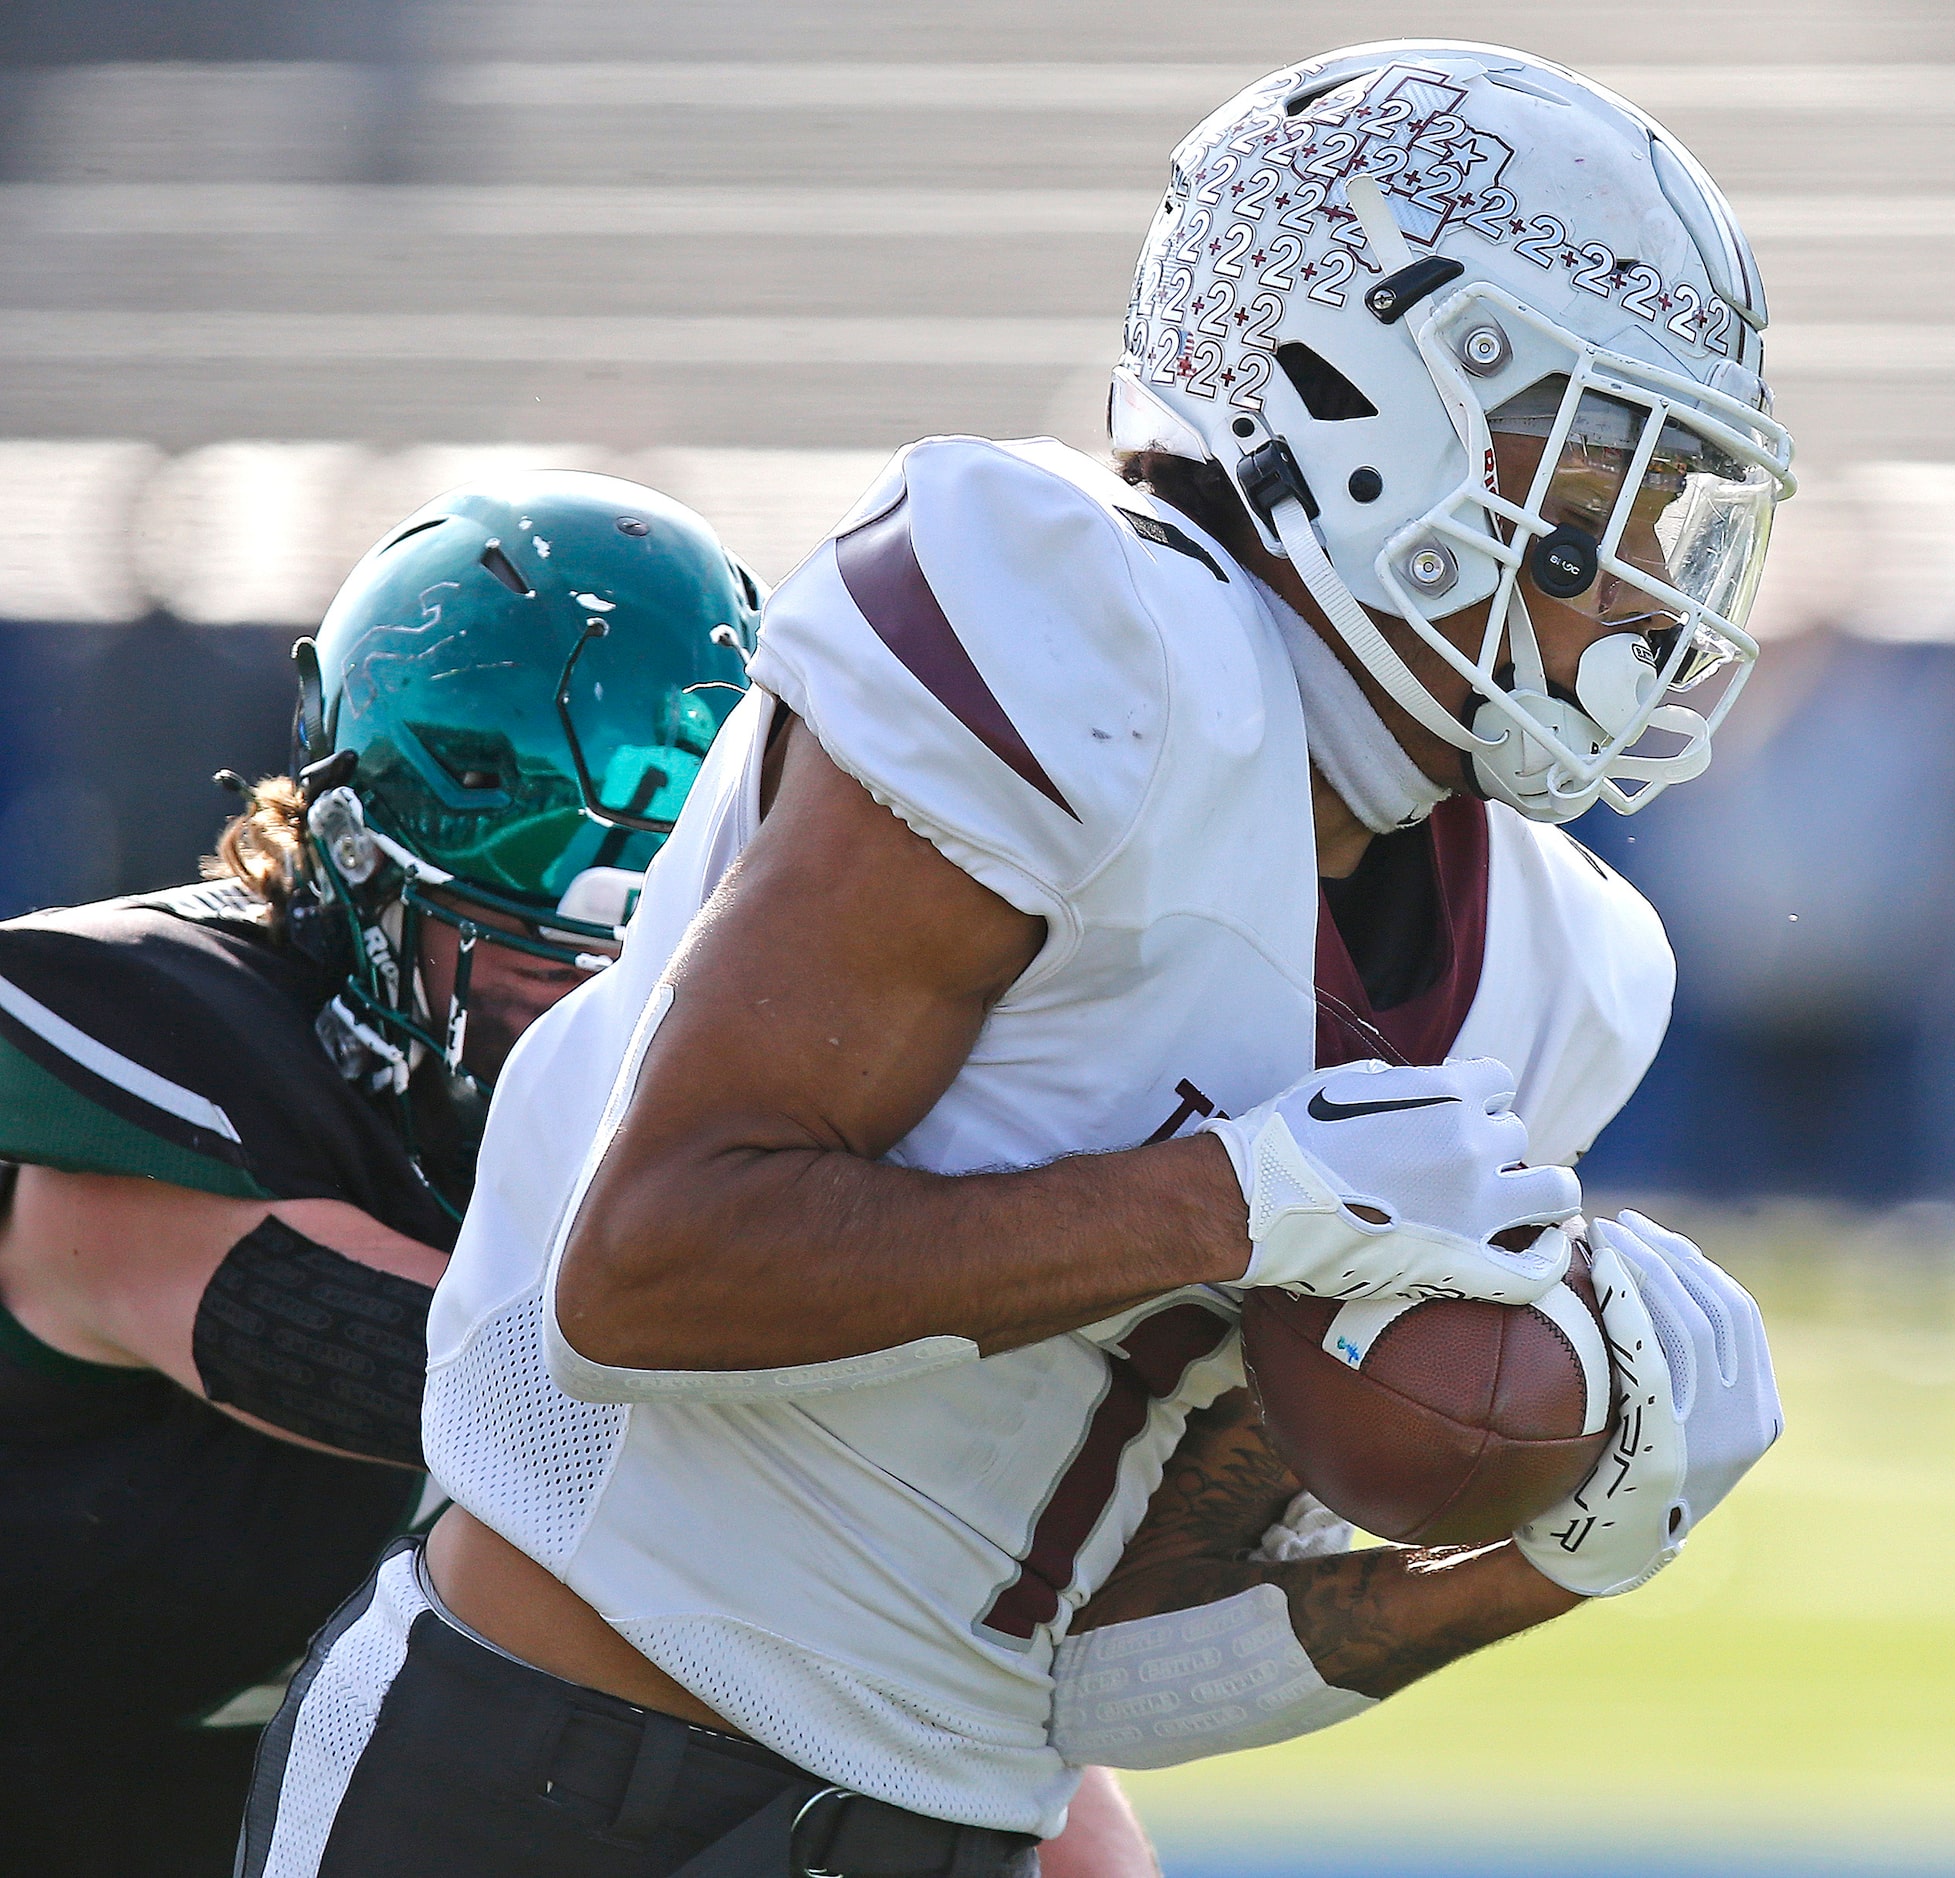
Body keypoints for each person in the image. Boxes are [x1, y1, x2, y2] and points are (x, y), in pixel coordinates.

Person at [242, 42, 1792, 1878]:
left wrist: (1549, 1550)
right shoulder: (1083, 636)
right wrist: (1232, 1201)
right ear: (1358, 405)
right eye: (1594, 476)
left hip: (951, 1834)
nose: (1635, 584)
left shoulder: (1557, 965)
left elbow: (1094, 1674)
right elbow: (650, 1267)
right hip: (544, 1780)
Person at [0, 471, 760, 1876]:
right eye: (530, 962)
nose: (579, 1021)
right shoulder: (165, 1043)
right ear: (355, 855)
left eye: (633, 975)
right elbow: (505, 1394)